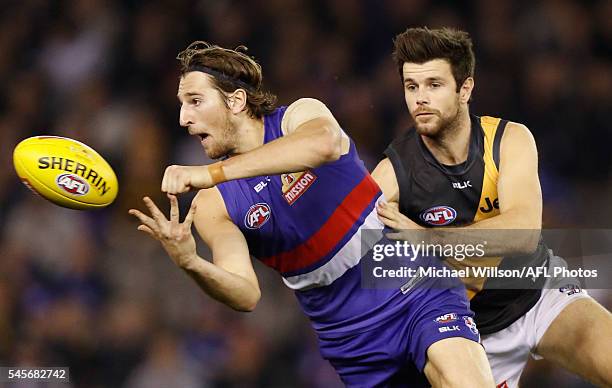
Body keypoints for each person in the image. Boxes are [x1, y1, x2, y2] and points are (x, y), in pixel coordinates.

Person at [128, 41, 495, 387]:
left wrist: (210, 173)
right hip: (349, 335)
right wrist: (191, 262)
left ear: (236, 100)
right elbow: (245, 294)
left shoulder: (299, 115)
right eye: (181, 104)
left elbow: (324, 144)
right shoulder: (212, 203)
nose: (183, 118)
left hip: (410, 284)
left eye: (195, 101)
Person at [372, 27, 612, 388]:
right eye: (411, 87)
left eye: (433, 84)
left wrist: (427, 240)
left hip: (538, 293)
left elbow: (523, 234)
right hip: (468, 333)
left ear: (465, 88)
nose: (420, 98)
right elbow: (367, 260)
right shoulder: (392, 175)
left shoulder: (510, 139)